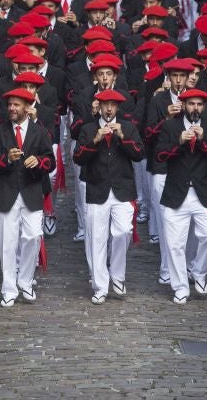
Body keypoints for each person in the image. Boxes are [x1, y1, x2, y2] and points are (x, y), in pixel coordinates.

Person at [0, 88, 55, 308]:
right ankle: (8, 288)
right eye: (10, 105)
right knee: (7, 244)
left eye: (16, 105)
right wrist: (5, 159)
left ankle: (25, 281)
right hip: (6, 194)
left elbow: (49, 160)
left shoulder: (39, 131)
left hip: (32, 193)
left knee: (33, 236)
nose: (12, 108)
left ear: (27, 106)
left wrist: (37, 162)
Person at [73, 89, 145, 304]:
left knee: (123, 231)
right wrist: (95, 140)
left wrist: (123, 137)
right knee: (96, 238)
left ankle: (118, 275)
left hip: (122, 190)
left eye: (113, 105)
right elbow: (78, 158)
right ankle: (99, 286)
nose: (109, 108)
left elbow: (140, 154)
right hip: (97, 189)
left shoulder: (128, 127)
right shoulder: (88, 129)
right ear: (99, 106)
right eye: (105, 104)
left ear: (118, 107)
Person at [154, 89, 207, 305]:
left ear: (203, 107)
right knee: (174, 245)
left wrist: (203, 141)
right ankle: (180, 287)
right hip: (176, 194)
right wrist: (179, 142)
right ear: (183, 105)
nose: (195, 108)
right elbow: (159, 155)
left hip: (202, 193)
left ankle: (199, 273)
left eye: (199, 104)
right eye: (191, 104)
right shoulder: (170, 126)